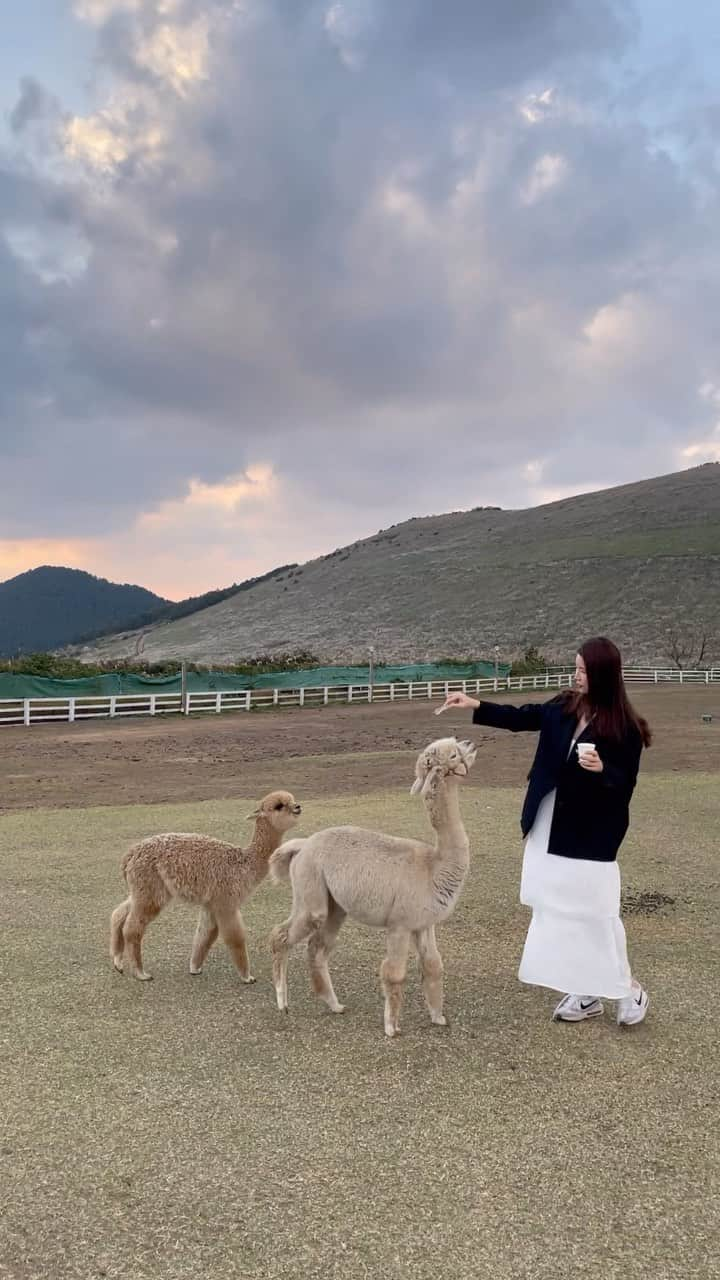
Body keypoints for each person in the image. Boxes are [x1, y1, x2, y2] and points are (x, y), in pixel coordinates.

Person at [440, 637, 651, 1026]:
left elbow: (626, 785)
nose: (577, 675)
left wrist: (603, 770)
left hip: (591, 835)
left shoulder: (626, 730)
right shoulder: (563, 706)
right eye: (576, 667)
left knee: (595, 914)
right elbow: (523, 716)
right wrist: (476, 705)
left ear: (604, 675)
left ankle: (628, 988)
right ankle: (586, 993)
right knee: (557, 910)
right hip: (547, 824)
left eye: (584, 670)